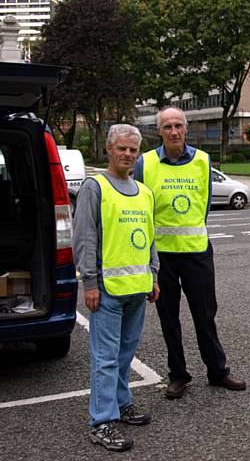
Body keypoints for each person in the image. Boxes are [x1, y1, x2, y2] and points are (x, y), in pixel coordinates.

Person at [134, 106, 246, 399]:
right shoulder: (145, 164)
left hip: (197, 252)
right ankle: (178, 375)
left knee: (205, 315)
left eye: (178, 126)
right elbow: (139, 208)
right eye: (167, 126)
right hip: (162, 258)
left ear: (186, 129)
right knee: (168, 319)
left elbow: (204, 203)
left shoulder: (202, 160)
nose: (173, 132)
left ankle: (217, 371)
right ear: (159, 131)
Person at [73, 124, 160, 452]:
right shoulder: (95, 188)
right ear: (109, 149)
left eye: (133, 150)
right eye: (121, 148)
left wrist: (153, 276)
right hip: (107, 291)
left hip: (137, 289)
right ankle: (101, 420)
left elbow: (150, 238)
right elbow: (85, 237)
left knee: (124, 355)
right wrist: (90, 282)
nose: (127, 154)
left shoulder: (144, 192)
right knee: (105, 358)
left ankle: (122, 402)